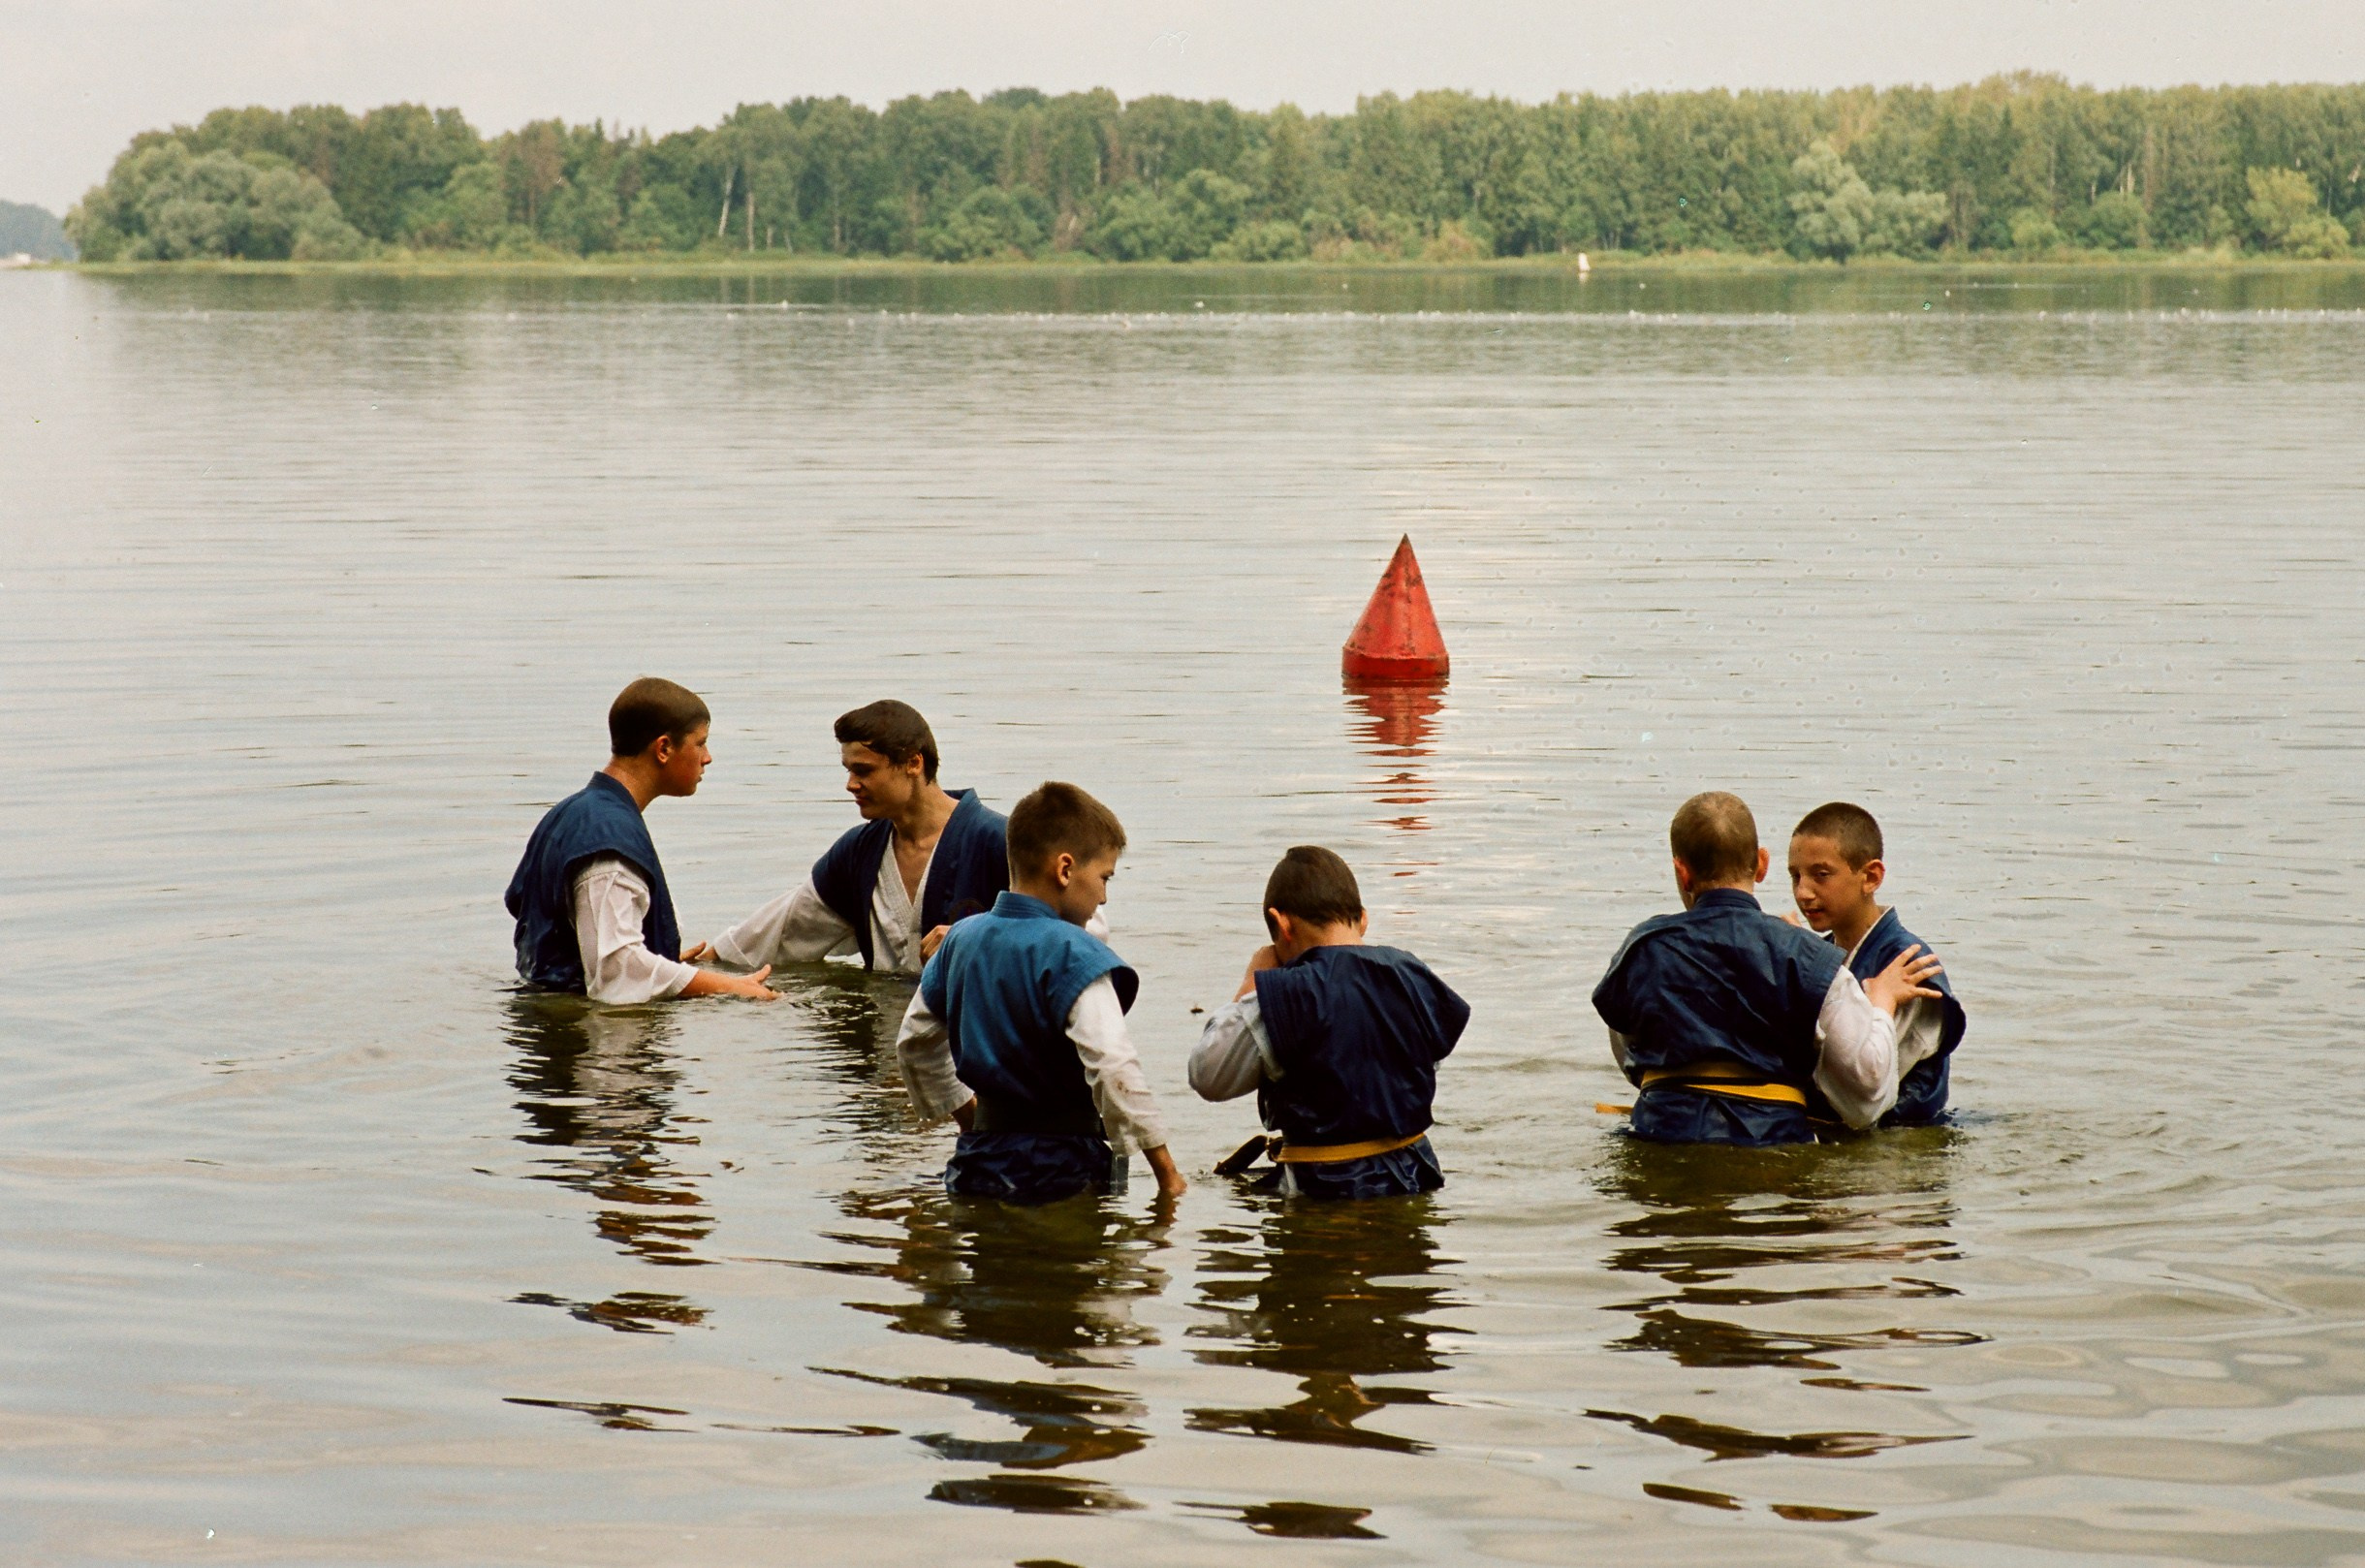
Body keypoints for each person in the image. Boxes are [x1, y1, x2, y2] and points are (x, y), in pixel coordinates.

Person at [1592, 791, 1941, 1145]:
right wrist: (1881, 1005)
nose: (1804, 894)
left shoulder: (1641, 947)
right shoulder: (1804, 955)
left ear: (1682, 872)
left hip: (1659, 1135)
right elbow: (1866, 1098)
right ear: (1762, 865)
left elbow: (1630, 1056)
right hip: (1768, 1144)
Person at [895, 781, 1185, 1206]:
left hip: (977, 1164)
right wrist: (1168, 1176)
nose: (1103, 894)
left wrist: (971, 1123)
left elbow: (915, 1045)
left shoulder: (958, 941)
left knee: (990, 1266)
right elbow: (1112, 1065)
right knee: (1064, 1266)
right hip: (1061, 1168)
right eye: (1104, 877)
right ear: (1065, 869)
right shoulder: (1074, 953)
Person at [1189, 846, 1468, 1199]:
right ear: (1363, 918)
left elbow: (1207, 1076)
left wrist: (1250, 985)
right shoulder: (1412, 976)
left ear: (1281, 924)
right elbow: (1429, 1060)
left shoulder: (1285, 994)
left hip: (1324, 1189)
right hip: (1416, 1176)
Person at [506, 677, 779, 1005]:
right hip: (586, 1046)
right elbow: (616, 970)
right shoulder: (608, 836)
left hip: (542, 1026)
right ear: (664, 748)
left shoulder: (571, 813)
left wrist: (666, 963)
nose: (707, 757)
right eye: (701, 743)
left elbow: (549, 926)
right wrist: (726, 986)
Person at [689, 701, 1011, 977]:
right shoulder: (860, 852)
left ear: (914, 763)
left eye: (864, 771)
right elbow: (784, 926)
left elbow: (1056, 935)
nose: (851, 784)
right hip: (885, 1034)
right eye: (848, 770)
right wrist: (697, 969)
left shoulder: (1000, 842)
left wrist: (973, 937)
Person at [1787, 801, 1966, 1126]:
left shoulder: (1911, 967)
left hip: (1901, 1148)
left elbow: (1859, 1081)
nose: (1803, 892)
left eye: (1821, 875)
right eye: (1795, 876)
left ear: (1870, 877)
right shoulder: (1824, 954)